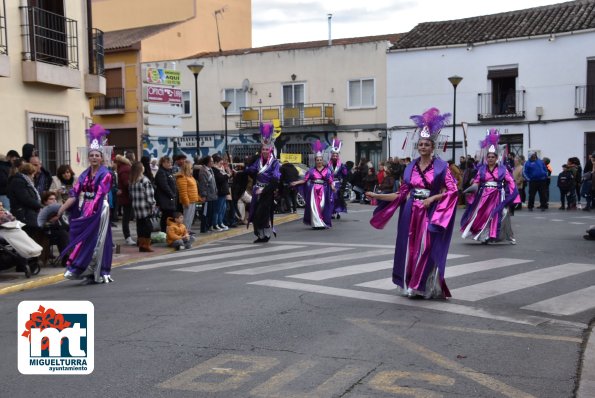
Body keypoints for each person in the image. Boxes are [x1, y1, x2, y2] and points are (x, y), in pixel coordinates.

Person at [366, 108, 458, 299]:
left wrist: (432, 199)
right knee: (410, 247)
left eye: (426, 144)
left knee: (426, 247)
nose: (423, 147)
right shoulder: (410, 167)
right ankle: (410, 283)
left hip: (429, 211)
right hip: (410, 211)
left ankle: (421, 284)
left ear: (433, 147)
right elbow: (401, 195)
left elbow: (453, 190)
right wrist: (377, 196)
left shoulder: (442, 167)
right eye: (420, 144)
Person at [57, 124, 114, 284]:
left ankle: (96, 272)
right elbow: (74, 193)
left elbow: (100, 195)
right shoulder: (84, 174)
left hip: (99, 210)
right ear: (88, 157)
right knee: (85, 239)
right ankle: (82, 269)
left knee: (97, 240)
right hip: (87, 208)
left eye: (97, 155)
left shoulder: (106, 174)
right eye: (92, 155)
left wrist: (91, 213)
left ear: (102, 158)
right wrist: (62, 208)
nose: (94, 157)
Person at [460, 129, 519, 244]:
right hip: (484, 195)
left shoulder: (502, 169)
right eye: (489, 157)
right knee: (483, 215)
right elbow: (477, 182)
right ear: (486, 158)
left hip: (497, 195)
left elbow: (510, 181)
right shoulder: (482, 169)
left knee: (501, 214)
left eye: (493, 157)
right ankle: (484, 235)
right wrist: (471, 189)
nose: (491, 158)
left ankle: (501, 235)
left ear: (497, 158)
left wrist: (512, 193)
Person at [243, 123, 281, 242]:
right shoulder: (258, 161)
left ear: (270, 150)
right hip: (256, 191)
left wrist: (264, 190)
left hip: (267, 192)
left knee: (262, 214)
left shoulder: (274, 163)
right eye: (263, 149)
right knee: (254, 213)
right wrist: (243, 169)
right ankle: (261, 235)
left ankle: (267, 234)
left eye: (267, 149)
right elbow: (252, 170)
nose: (265, 151)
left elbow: (275, 179)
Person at [291, 140, 335, 229]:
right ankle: (317, 224)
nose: (319, 161)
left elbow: (330, 180)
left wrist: (333, 187)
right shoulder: (311, 170)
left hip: (323, 189)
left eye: (320, 160)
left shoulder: (327, 170)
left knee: (322, 205)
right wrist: (296, 182)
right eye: (317, 160)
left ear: (323, 161)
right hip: (313, 189)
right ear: (315, 161)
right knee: (314, 206)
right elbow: (305, 180)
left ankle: (322, 221)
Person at [7, 162, 43, 243]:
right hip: (23, 214)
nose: (33, 176)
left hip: (28, 213)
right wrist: (40, 206)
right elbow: (25, 199)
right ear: (29, 173)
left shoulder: (25, 182)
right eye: (33, 174)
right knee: (28, 237)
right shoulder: (19, 182)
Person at [115, 154, 135, 246]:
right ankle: (127, 237)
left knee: (126, 217)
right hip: (127, 196)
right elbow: (127, 183)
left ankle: (128, 236)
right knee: (126, 218)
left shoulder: (122, 168)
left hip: (124, 196)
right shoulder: (126, 169)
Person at [154, 156, 177, 233]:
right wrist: (172, 194)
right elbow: (164, 186)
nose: (170, 163)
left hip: (170, 199)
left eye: (170, 162)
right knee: (166, 216)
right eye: (168, 162)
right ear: (163, 163)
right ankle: (164, 232)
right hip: (165, 199)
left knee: (169, 216)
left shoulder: (168, 171)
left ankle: (169, 231)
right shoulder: (161, 172)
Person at [175, 160, 199, 233]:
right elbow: (183, 192)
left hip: (192, 199)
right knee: (187, 217)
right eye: (191, 168)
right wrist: (186, 201)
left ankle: (188, 230)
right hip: (188, 200)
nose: (192, 170)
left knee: (190, 217)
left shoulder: (190, 177)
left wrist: (197, 197)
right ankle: (184, 231)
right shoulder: (182, 178)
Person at [196, 155, 218, 233]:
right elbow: (203, 184)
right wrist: (204, 195)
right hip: (207, 196)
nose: (212, 162)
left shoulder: (210, 170)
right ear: (207, 162)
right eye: (211, 161)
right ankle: (204, 228)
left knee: (211, 212)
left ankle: (208, 227)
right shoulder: (203, 171)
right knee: (205, 213)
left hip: (212, 195)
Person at [327, 139, 348, 218]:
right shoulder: (328, 165)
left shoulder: (341, 165)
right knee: (330, 198)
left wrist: (345, 170)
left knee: (337, 198)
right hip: (330, 183)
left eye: (336, 156)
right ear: (331, 156)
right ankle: (332, 212)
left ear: (338, 156)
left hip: (338, 184)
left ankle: (338, 211)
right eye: (333, 155)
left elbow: (345, 175)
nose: (335, 157)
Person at [212, 154, 230, 231]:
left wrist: (228, 173)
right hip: (219, 191)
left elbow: (225, 177)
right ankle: (215, 224)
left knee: (223, 208)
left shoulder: (220, 170)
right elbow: (220, 179)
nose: (221, 165)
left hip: (224, 191)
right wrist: (227, 175)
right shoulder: (215, 170)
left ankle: (220, 222)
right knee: (217, 209)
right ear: (215, 162)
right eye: (220, 163)